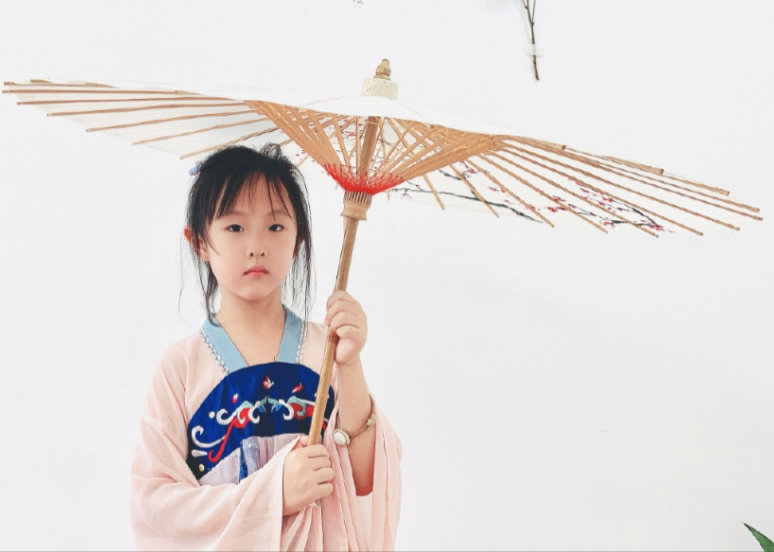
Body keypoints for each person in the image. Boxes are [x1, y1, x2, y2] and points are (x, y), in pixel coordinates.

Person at [129, 144, 402, 551]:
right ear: (198, 241)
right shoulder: (179, 368)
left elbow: (366, 483)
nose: (256, 245)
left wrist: (350, 364)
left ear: (298, 240)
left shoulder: (326, 350)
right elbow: (155, 510)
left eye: (275, 227)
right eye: (235, 227)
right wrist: (275, 494)